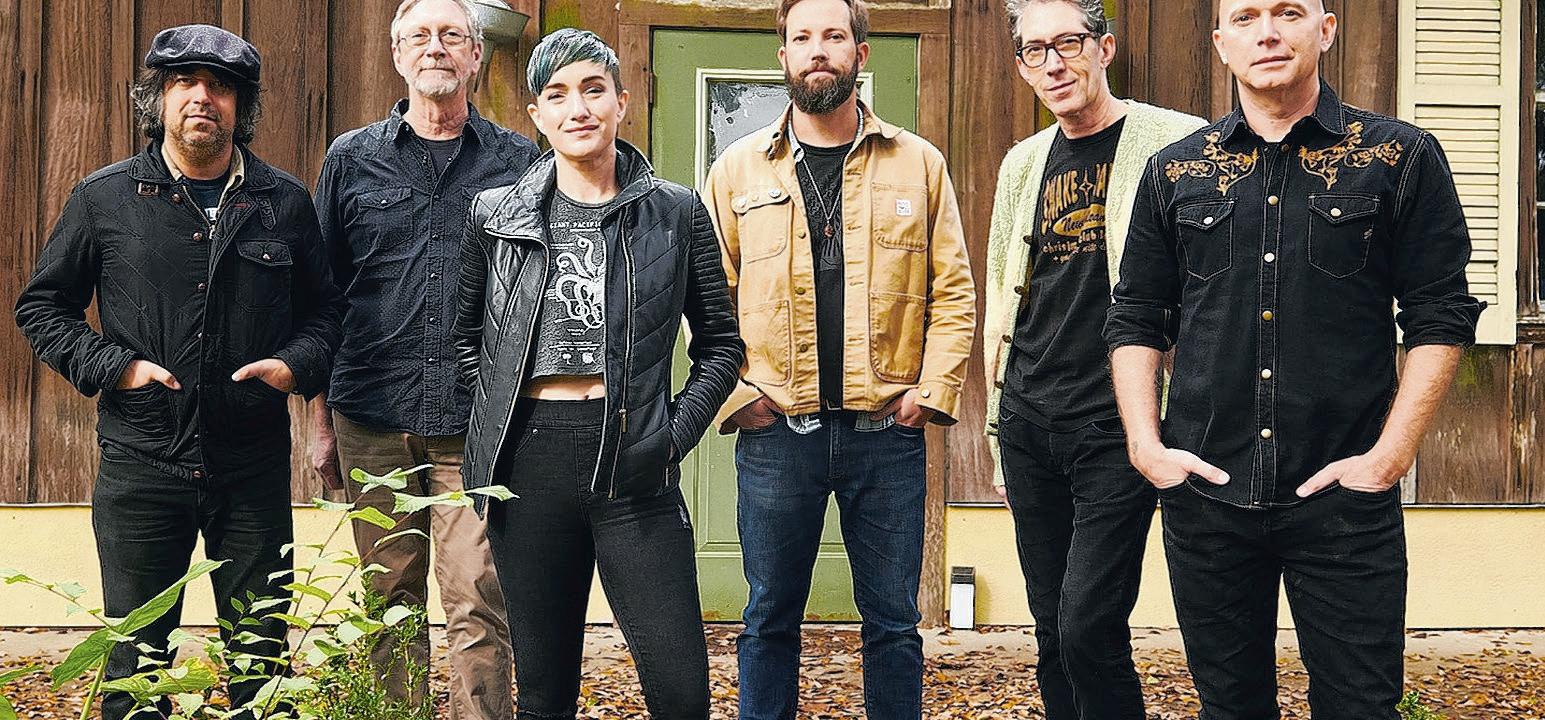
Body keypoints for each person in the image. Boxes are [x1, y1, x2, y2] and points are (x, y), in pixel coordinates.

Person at [1105, 2, 1484, 718]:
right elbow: (1136, 316)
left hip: (1344, 496)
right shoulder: (1175, 169)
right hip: (1208, 495)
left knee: (1359, 706)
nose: (1268, 33)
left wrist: (1388, 458)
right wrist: (1146, 447)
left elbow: (1439, 312)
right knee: (1230, 707)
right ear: (1221, 43)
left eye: (1287, 12)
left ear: (1325, 29)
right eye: (1245, 17)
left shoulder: (1398, 157)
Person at [13, 24, 341, 720]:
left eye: (219, 86)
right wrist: (115, 366)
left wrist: (294, 364)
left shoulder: (283, 202)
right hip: (141, 465)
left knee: (261, 661)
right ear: (157, 99)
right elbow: (42, 307)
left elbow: (326, 313)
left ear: (240, 107)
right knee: (136, 665)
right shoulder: (104, 198)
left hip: (251, 467)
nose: (201, 98)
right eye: (184, 83)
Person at [453, 28, 744, 720]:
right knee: (544, 694)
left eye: (592, 90)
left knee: (681, 694)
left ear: (621, 101)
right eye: (557, 95)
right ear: (537, 115)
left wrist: (669, 437)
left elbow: (722, 346)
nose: (577, 108)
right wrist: (496, 427)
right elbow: (466, 342)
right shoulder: (495, 215)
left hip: (635, 464)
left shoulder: (674, 212)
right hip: (529, 467)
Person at [701, 0, 975, 716]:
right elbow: (705, 300)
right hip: (776, 437)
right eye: (801, 37)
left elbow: (952, 291)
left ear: (861, 53)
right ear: (783, 57)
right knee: (768, 618)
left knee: (893, 623)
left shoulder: (919, 164)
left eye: (833, 35)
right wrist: (737, 397)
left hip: (886, 435)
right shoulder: (736, 171)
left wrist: (929, 393)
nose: (817, 49)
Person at [310, 1, 538, 714]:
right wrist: (318, 423)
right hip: (371, 419)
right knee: (388, 601)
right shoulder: (350, 159)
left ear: (475, 56)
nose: (435, 47)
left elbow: (537, 297)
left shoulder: (519, 162)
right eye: (419, 36)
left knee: (478, 598)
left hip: (476, 426)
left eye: (451, 36)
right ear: (397, 56)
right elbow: (320, 298)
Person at [982, 2, 1205, 717]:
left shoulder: (1177, 143)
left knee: (1087, 625)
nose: (1053, 64)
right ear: (1022, 66)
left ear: (1103, 48)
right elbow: (1003, 292)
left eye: (1068, 43)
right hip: (1029, 420)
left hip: (1118, 424)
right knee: (1051, 629)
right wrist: (998, 425)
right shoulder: (1023, 163)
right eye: (1034, 50)